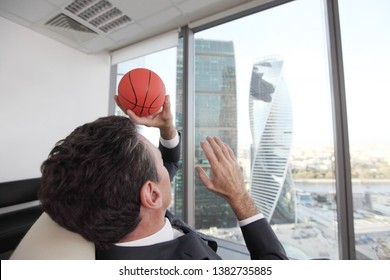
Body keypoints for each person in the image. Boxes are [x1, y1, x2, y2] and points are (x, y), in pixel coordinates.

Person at [38, 95, 288, 260]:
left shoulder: (112, 205)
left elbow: (169, 162)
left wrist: (167, 128)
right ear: (152, 195)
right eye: (157, 157)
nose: (165, 162)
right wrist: (239, 196)